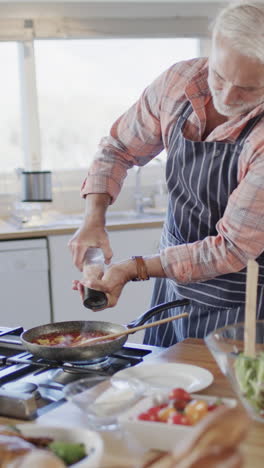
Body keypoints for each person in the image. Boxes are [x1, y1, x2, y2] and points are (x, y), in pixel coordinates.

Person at [69, 0, 264, 347]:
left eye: (249, 89)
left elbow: (231, 249)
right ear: (212, 45)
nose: (228, 96)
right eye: (219, 75)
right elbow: (117, 148)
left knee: (224, 399)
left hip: (240, 306)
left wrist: (133, 268)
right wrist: (93, 220)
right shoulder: (179, 82)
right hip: (170, 288)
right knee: (161, 392)